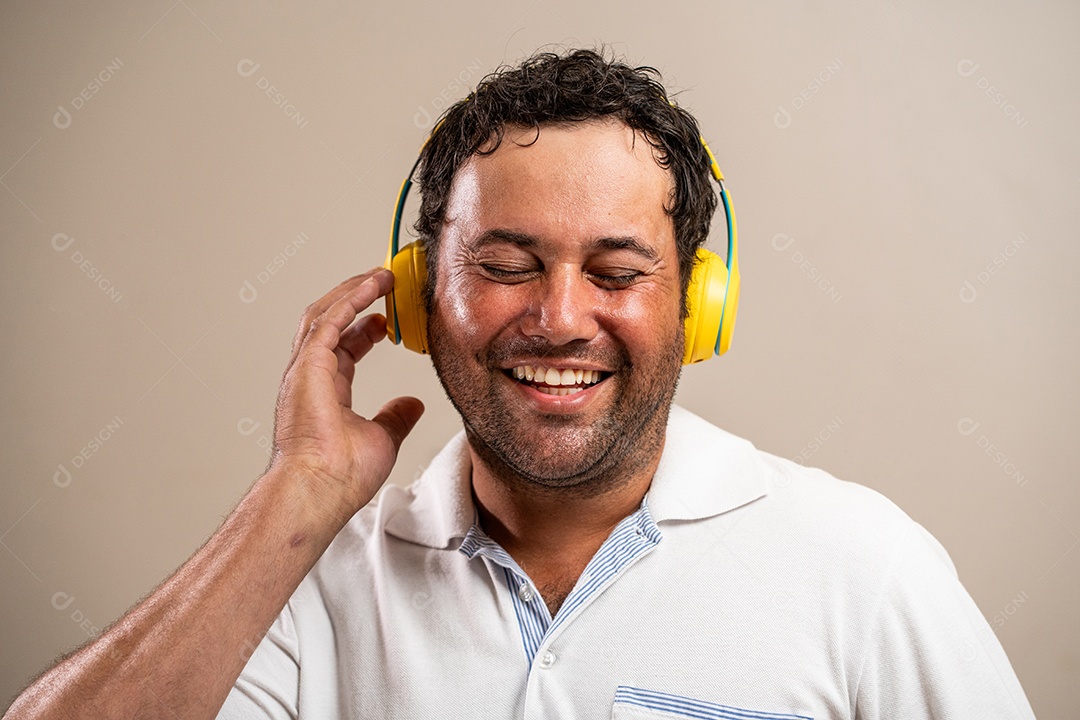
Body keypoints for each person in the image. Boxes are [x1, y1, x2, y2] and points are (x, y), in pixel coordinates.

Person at [6, 49, 1034, 720]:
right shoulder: (303, 584)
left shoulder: (863, 566)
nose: (558, 316)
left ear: (699, 305)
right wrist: (296, 495)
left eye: (620, 272)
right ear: (416, 300)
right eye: (504, 265)